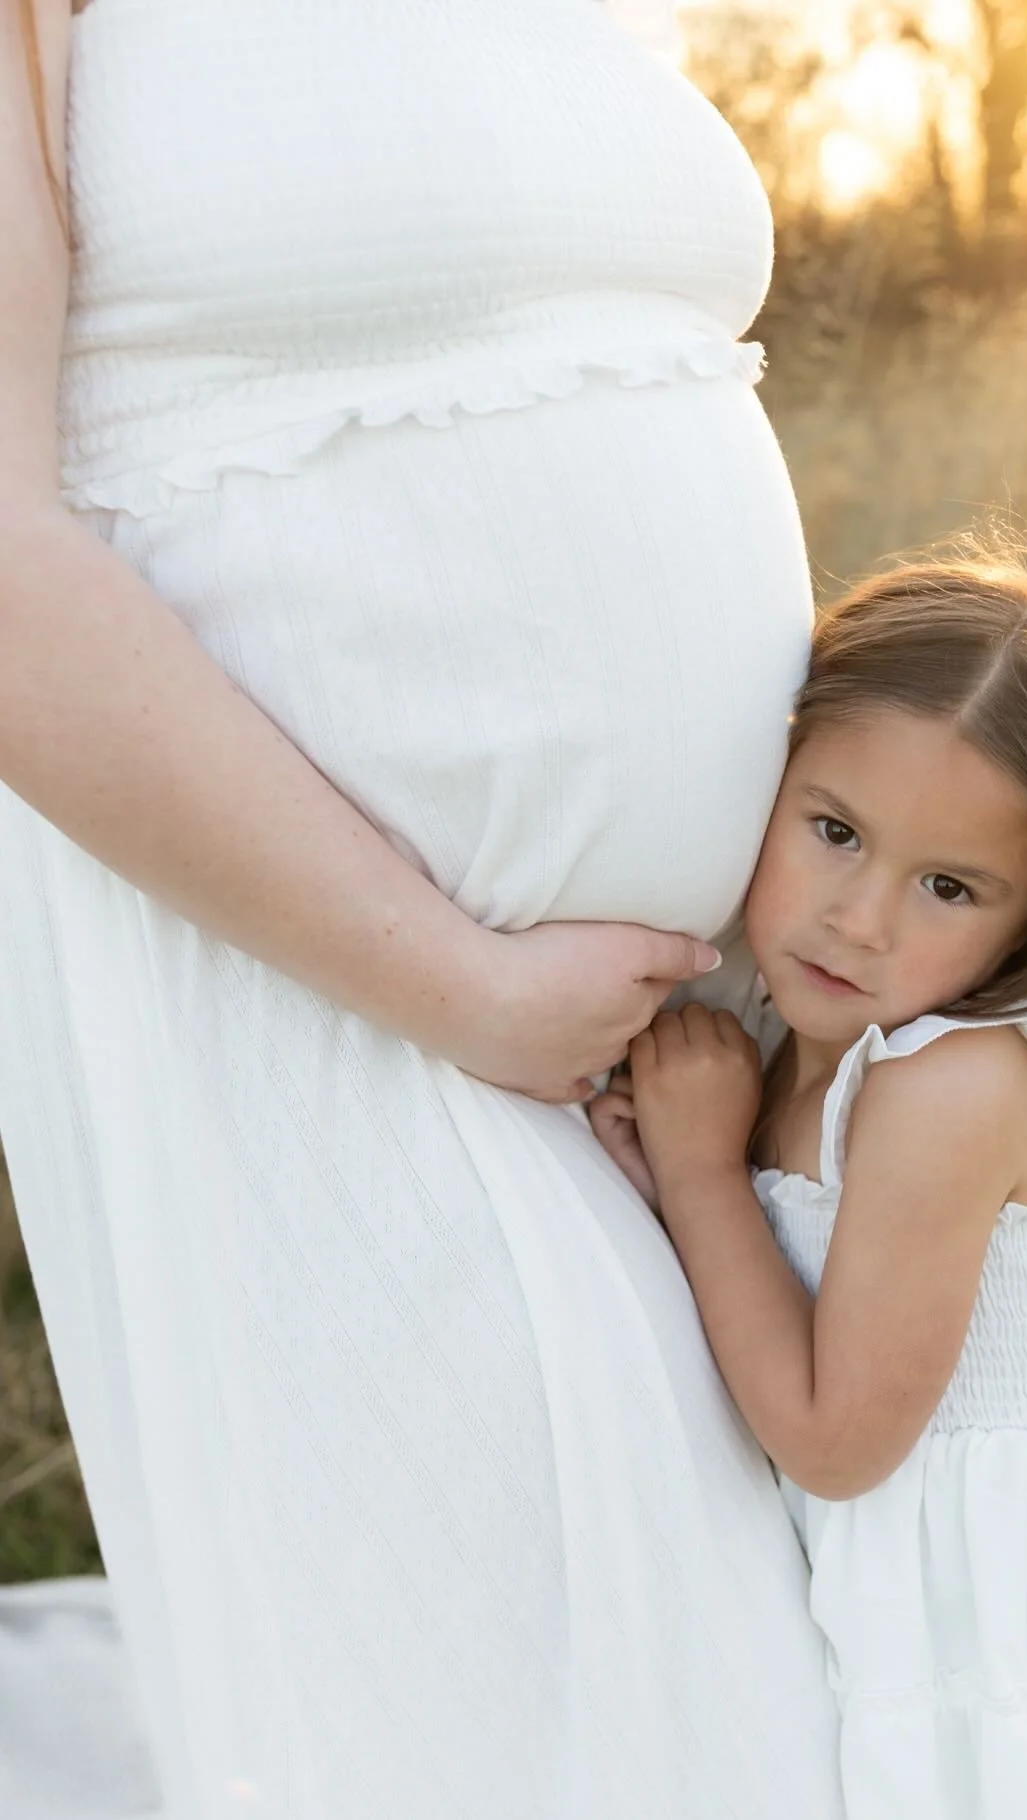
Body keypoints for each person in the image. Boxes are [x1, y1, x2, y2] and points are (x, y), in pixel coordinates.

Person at [0, 2, 844, 1816]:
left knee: (778, 1689)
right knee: (502, 1718)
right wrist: (454, 982)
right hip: (332, 1003)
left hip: (699, 1057)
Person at [593, 554, 1027, 1820]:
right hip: (919, 1614)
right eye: (835, 832)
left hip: (999, 1654)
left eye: (947, 885)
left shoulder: (949, 1090)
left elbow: (837, 1436)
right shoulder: (814, 1057)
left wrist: (700, 1179)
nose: (861, 918)